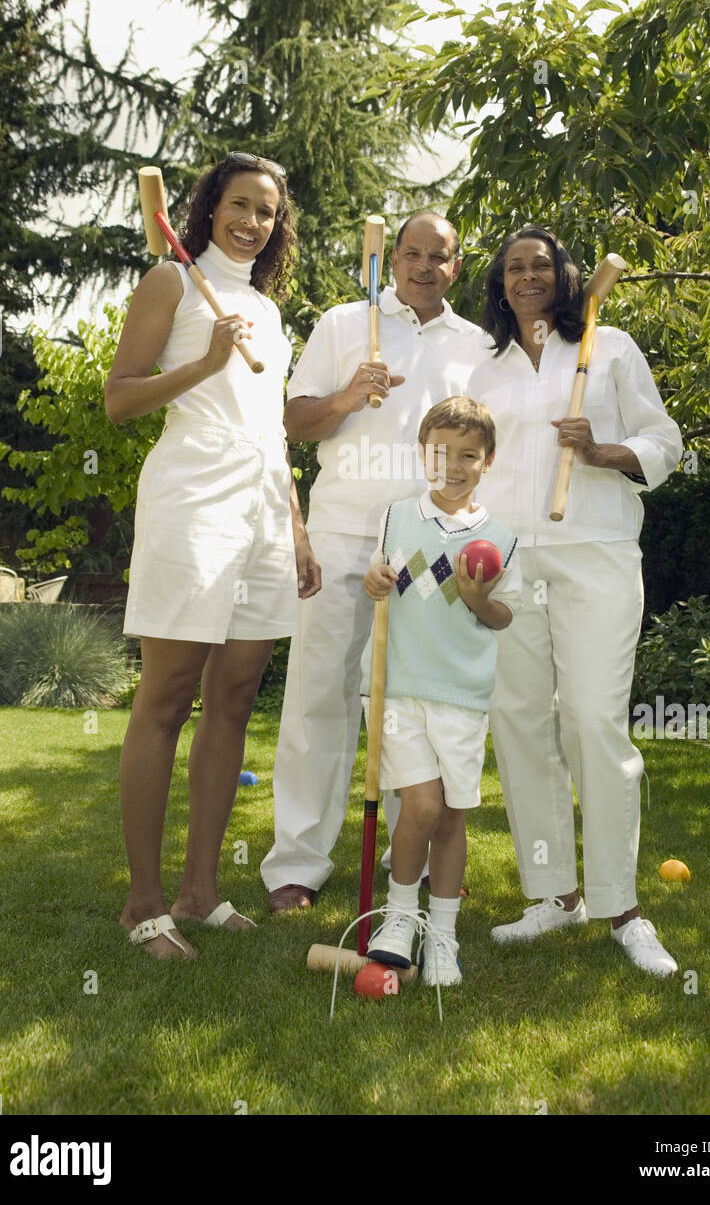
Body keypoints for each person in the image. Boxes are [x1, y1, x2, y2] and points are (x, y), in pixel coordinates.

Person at [105, 153, 321, 960]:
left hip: (264, 510)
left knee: (233, 699)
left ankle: (200, 891)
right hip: (192, 503)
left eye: (267, 211)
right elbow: (120, 396)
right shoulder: (170, 280)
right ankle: (143, 902)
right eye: (240, 205)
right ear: (209, 207)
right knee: (165, 699)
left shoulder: (266, 309)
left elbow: (271, 430)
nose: (253, 222)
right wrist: (201, 364)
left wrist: (295, 530)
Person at [468, 225, 684, 976]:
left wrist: (603, 452)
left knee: (591, 719)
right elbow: (454, 459)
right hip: (506, 559)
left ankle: (621, 905)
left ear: (565, 278)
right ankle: (554, 895)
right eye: (513, 268)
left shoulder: (611, 346)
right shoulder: (480, 364)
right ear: (500, 284)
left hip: (594, 554)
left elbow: (666, 440)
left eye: (541, 265)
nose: (527, 276)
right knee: (521, 722)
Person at [260, 212, 492, 912]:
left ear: (457, 265)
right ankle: (296, 864)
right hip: (342, 530)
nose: (424, 267)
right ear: (392, 259)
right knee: (319, 694)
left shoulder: (477, 346)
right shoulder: (341, 323)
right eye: (412, 254)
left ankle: (409, 863)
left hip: (430, 540)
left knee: (412, 702)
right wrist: (347, 397)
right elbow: (293, 422)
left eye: (439, 257)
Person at [360, 397, 521, 985]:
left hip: (463, 695)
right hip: (398, 687)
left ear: (489, 461)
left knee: (452, 819)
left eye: (468, 456)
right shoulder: (396, 517)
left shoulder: (501, 539)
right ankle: (400, 916)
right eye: (439, 453)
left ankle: (443, 935)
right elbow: (377, 575)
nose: (451, 466)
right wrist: (374, 577)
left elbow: (504, 617)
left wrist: (479, 599)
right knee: (422, 806)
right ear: (422, 455)